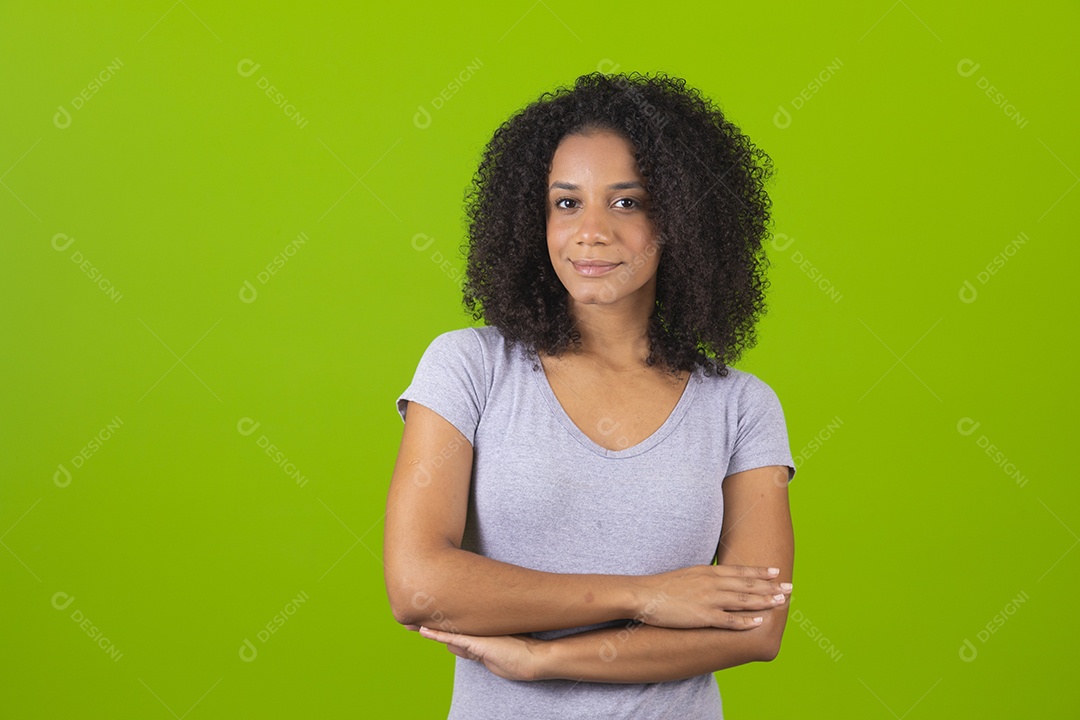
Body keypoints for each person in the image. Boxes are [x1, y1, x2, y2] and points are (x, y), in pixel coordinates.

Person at [384, 71, 797, 719]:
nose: (592, 231)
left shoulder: (741, 407)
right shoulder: (470, 367)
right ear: (534, 217)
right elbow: (417, 586)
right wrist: (645, 595)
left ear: (682, 216)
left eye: (627, 202)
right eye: (567, 203)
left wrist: (546, 659)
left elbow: (755, 627)